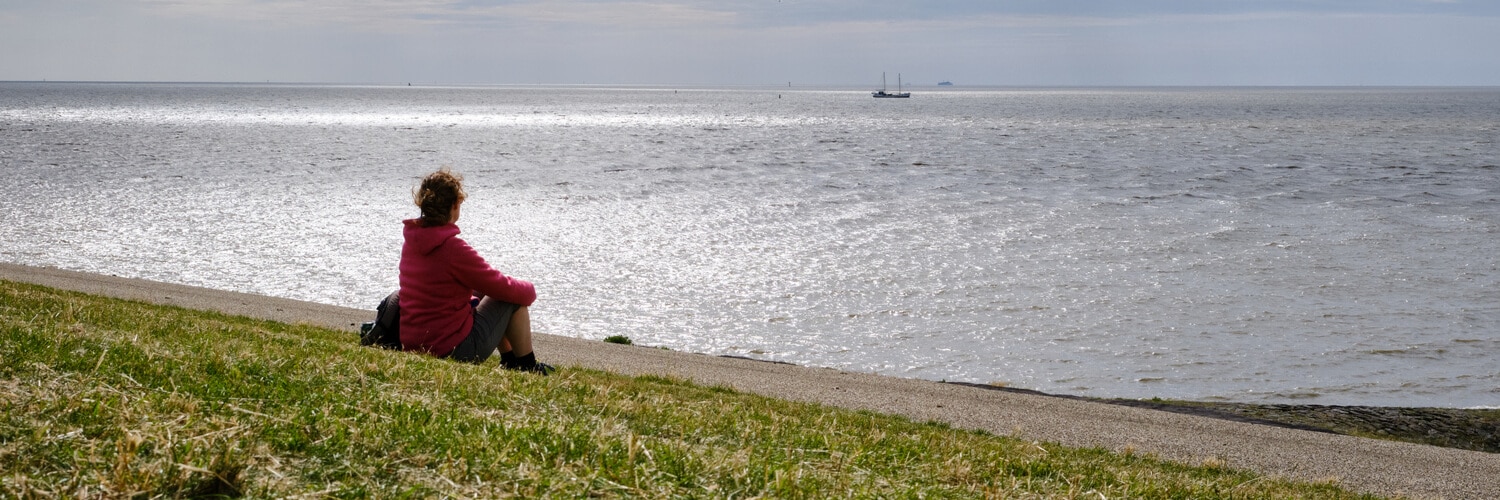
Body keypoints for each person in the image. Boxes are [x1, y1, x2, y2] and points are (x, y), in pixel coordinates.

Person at [372, 168, 553, 374]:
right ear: (454, 205)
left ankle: (510, 361)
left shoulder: (412, 242)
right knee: (511, 299)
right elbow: (504, 287)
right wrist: (530, 289)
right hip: (452, 349)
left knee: (484, 292)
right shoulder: (452, 248)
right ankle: (527, 366)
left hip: (415, 342)